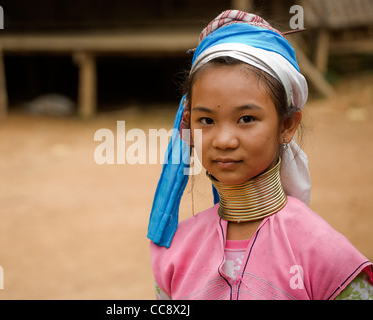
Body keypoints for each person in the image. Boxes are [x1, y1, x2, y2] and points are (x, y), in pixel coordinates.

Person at [147, 10, 372, 300]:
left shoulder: (326, 255)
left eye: (246, 119)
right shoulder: (177, 251)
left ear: (287, 125)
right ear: (187, 125)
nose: (224, 140)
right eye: (206, 121)